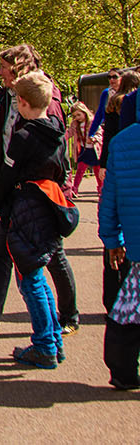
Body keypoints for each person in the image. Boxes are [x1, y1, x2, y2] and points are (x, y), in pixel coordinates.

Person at [0, 42, 79, 338]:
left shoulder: (42, 98)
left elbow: (54, 153)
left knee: (52, 257)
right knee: (0, 254)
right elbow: (7, 139)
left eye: (4, 69)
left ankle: (68, 318)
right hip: (11, 186)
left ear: (20, 69)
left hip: (38, 193)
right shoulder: (8, 96)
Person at [0, 71, 69, 369]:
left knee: (31, 279)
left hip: (25, 206)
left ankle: (45, 344)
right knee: (38, 273)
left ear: (22, 102)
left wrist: (0, 203)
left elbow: (8, 174)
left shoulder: (23, 136)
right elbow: (62, 171)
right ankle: (53, 340)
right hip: (49, 204)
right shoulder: (58, 133)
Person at [98, 108, 140, 390]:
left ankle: (122, 372)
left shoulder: (122, 141)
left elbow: (109, 198)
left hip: (136, 244)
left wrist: (113, 240)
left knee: (128, 308)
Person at [68, 102, 102, 197]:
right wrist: (64, 137)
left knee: (97, 171)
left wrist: (93, 139)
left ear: (84, 112)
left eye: (79, 115)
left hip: (94, 150)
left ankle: (101, 188)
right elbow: (70, 131)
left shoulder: (92, 122)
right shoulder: (75, 124)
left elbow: (100, 133)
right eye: (75, 116)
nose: (77, 117)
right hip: (84, 150)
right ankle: (74, 189)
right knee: (80, 170)